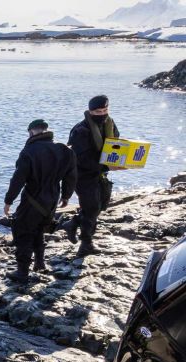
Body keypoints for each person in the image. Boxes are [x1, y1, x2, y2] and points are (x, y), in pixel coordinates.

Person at [3, 119, 77, 284]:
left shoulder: (29, 151)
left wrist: (9, 200)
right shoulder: (65, 150)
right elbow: (71, 176)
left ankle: (22, 272)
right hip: (52, 198)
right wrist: (66, 196)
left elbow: (18, 179)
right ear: (47, 131)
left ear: (31, 132)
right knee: (39, 229)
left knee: (23, 232)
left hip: (33, 198)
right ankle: (40, 263)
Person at [64, 95, 120, 256]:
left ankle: (72, 223)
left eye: (105, 110)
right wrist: (106, 165)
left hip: (100, 172)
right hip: (81, 174)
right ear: (90, 111)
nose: (102, 114)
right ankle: (86, 244)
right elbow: (80, 159)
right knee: (92, 206)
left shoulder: (110, 124)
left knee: (100, 205)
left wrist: (123, 160)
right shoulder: (80, 130)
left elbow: (115, 145)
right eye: (98, 111)